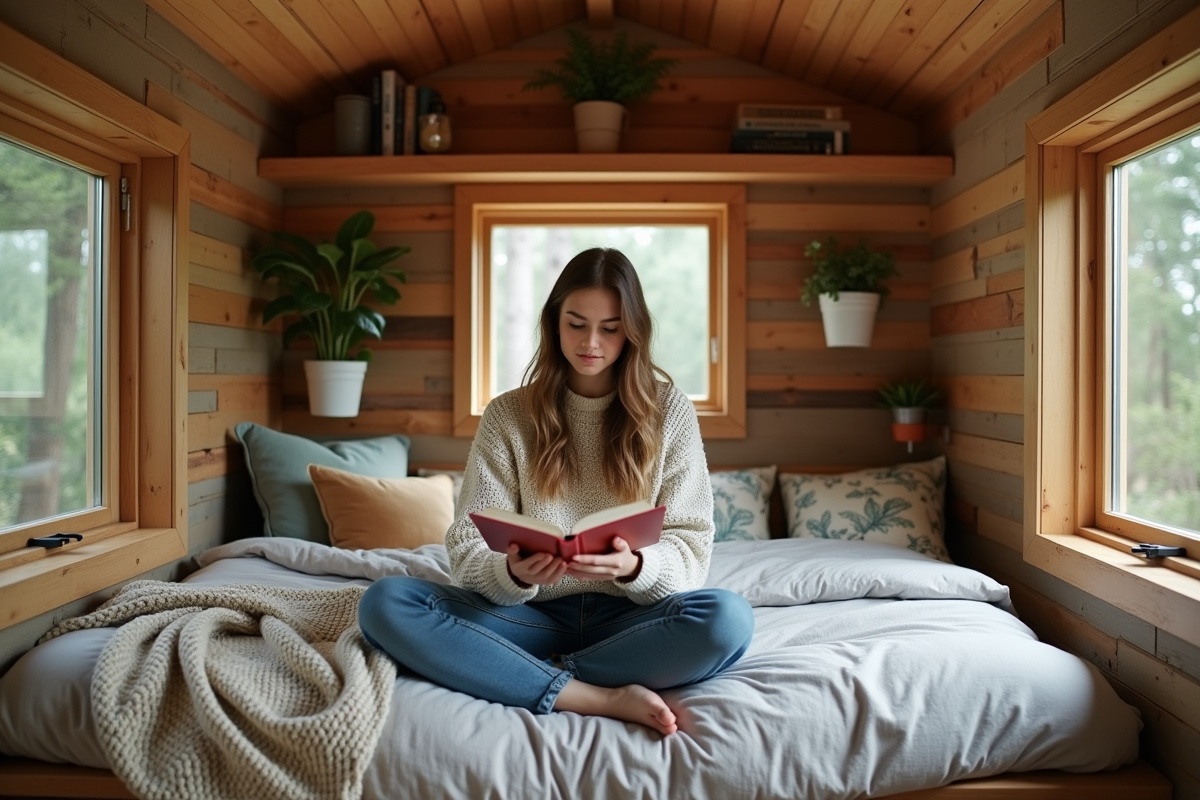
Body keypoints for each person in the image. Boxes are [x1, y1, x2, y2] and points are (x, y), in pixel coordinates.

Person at [358, 247, 754, 736]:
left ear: (631, 329)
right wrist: (511, 572)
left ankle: (508, 669)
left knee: (728, 621)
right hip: (524, 616)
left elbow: (692, 546)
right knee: (385, 603)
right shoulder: (507, 415)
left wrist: (634, 566)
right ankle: (593, 696)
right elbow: (465, 545)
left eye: (610, 327)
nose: (591, 342)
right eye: (576, 323)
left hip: (632, 620)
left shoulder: (668, 411)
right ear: (553, 322)